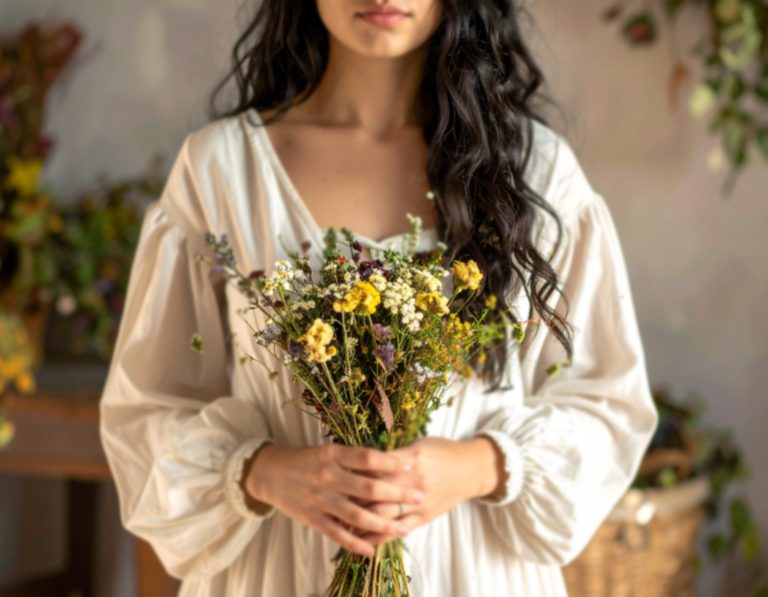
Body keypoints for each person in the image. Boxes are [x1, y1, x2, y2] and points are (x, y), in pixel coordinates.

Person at [99, 1, 660, 595]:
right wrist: (264, 472)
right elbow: (147, 410)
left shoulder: (534, 172)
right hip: (276, 572)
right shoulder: (221, 170)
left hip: (473, 571)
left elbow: (607, 401)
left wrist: (478, 466)